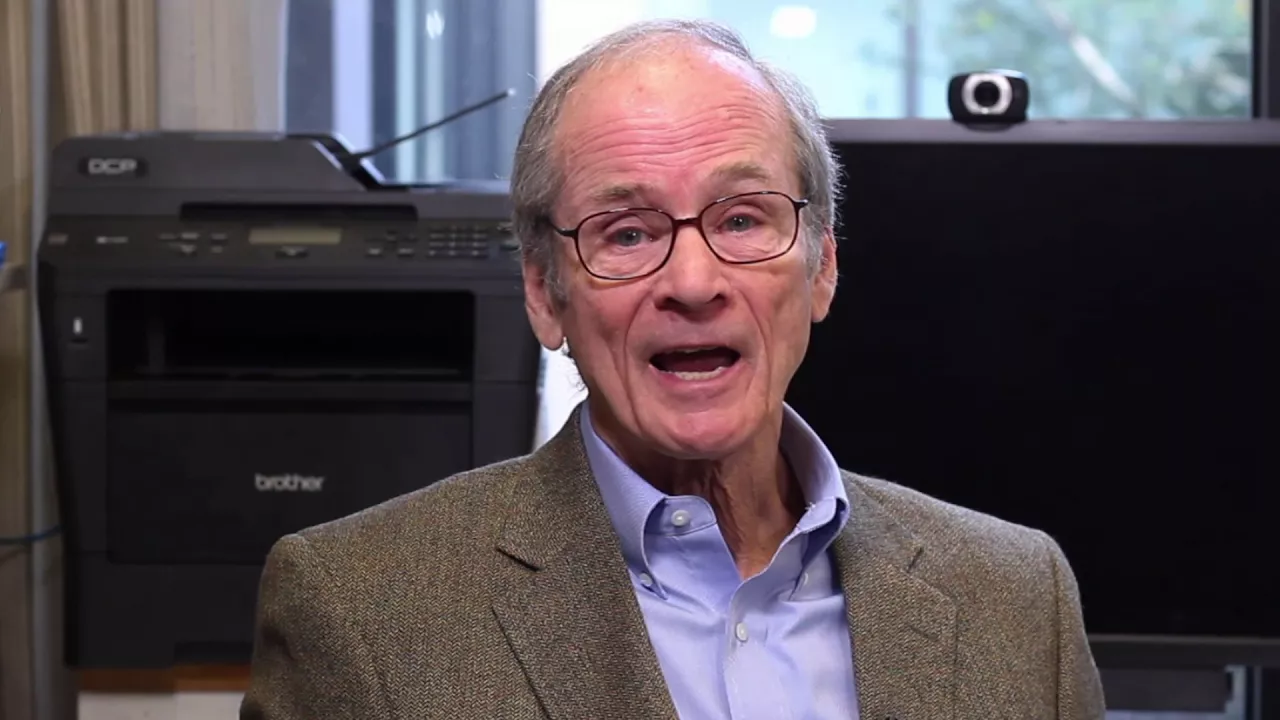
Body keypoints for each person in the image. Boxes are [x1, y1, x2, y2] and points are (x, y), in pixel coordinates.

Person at [241, 18, 1105, 720]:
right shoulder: (359, 612)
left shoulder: (1018, 597)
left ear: (823, 267)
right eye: (627, 232)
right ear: (544, 294)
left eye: (742, 219)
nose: (693, 283)